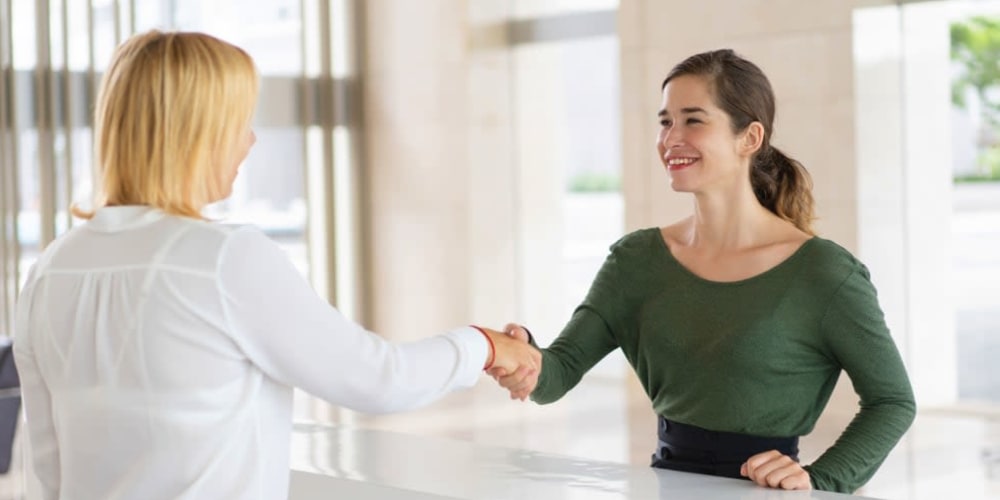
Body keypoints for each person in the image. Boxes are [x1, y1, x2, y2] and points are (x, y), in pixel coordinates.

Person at [12, 30, 540, 500]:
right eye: (240, 122)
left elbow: (48, 469)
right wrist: (487, 344)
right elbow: (378, 379)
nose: (251, 140)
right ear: (197, 132)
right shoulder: (222, 259)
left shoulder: (50, 270)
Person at [491, 48, 915, 493]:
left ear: (749, 138)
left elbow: (892, 401)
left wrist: (821, 479)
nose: (671, 137)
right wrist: (523, 360)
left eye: (693, 120)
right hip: (664, 486)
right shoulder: (635, 260)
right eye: (665, 121)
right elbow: (558, 373)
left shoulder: (823, 273)